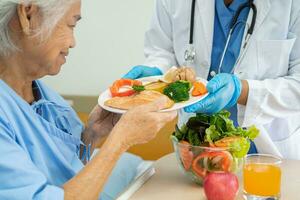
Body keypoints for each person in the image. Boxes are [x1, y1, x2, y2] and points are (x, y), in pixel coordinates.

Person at [0, 0, 177, 199]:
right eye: (70, 25)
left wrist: (91, 135)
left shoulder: (42, 95)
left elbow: (68, 171)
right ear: (28, 15)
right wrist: (120, 140)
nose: (72, 42)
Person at [124, 0, 300, 159]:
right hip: (196, 149)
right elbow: (162, 50)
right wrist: (159, 74)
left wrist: (241, 90)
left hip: (268, 154)